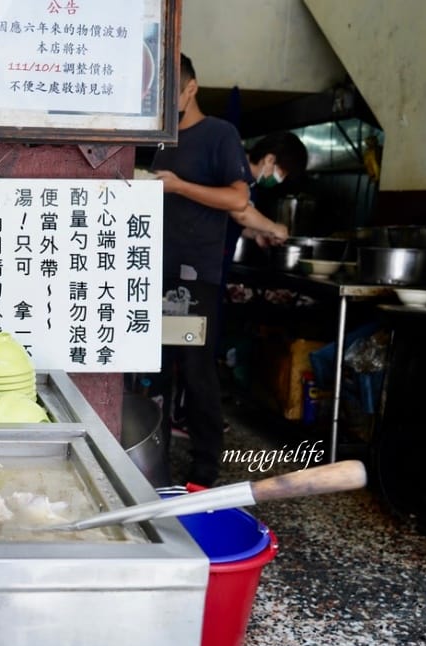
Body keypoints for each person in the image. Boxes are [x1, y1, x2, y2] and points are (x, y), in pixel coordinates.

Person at [148, 53, 253, 488]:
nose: (162, 100)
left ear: (191, 88)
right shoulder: (154, 139)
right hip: (147, 273)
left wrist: (179, 186)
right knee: (150, 369)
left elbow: (238, 199)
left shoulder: (219, 135)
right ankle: (150, 463)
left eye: (171, 90)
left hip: (191, 279)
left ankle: (204, 470)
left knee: (194, 368)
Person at [170, 131, 310, 439]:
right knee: (192, 351)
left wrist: (255, 234)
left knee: (197, 349)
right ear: (270, 159)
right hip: (194, 272)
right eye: (281, 173)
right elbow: (239, 211)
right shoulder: (237, 176)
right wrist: (274, 227)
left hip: (209, 273)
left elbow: (234, 221)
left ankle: (191, 417)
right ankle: (187, 419)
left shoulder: (248, 182)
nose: (278, 180)